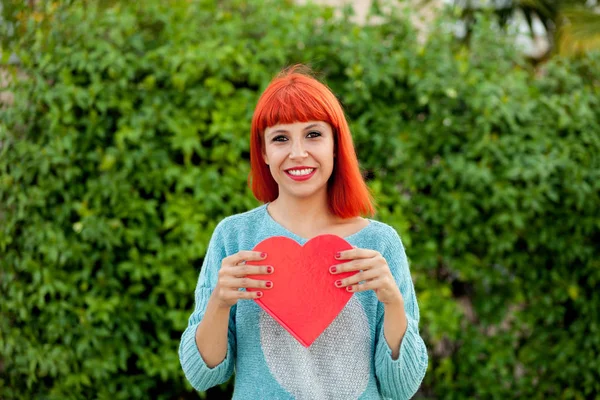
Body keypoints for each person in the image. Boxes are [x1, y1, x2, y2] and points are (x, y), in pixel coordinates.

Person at [179, 65, 428, 399]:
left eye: (313, 134)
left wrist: (393, 303)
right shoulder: (234, 237)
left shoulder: (380, 244)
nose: (298, 153)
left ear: (336, 144)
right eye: (280, 138)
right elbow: (203, 375)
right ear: (264, 152)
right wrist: (219, 303)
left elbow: (401, 387)